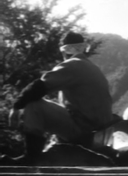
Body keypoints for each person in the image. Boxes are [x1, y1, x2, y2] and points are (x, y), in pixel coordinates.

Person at [8, 31, 115, 160]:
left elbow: (40, 86)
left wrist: (16, 106)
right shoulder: (92, 68)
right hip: (99, 132)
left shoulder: (73, 64)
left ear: (64, 51)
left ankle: (32, 158)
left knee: (34, 104)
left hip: (84, 131)